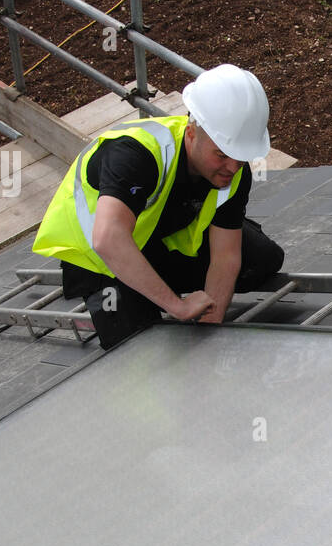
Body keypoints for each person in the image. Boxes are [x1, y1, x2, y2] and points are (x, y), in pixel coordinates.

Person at [33, 63, 284, 349]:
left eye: (242, 156)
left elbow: (226, 257)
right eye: (222, 154)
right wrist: (177, 307)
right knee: (144, 350)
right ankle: (138, 298)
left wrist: (209, 327)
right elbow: (108, 240)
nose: (234, 166)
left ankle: (152, 289)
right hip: (102, 263)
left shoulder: (234, 168)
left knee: (262, 259)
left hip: (155, 247)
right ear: (192, 133)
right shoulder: (135, 155)